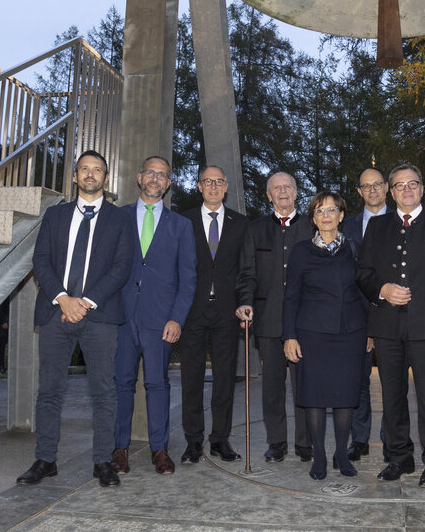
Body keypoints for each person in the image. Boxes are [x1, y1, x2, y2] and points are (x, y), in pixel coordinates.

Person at [17, 150, 134, 488]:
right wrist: (63, 299)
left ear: (106, 178)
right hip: (56, 312)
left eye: (97, 170)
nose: (91, 174)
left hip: (100, 315)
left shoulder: (119, 219)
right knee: (50, 390)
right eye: (85, 169)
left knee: (103, 392)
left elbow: (121, 267)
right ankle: (45, 459)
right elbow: (40, 260)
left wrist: (85, 302)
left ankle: (103, 462)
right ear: (74, 176)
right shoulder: (54, 216)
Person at [356, 163, 425, 488]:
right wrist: (383, 289)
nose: (406, 190)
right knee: (391, 395)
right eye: (400, 185)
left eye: (412, 184)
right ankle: (399, 457)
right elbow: (362, 273)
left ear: (422, 188)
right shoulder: (376, 227)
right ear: (391, 191)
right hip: (387, 326)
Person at [112, 156, 197, 476]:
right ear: (139, 176)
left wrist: (177, 318)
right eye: (151, 173)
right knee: (121, 383)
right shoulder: (117, 218)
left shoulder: (181, 226)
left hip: (161, 321)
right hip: (121, 316)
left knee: (157, 383)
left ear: (169, 183)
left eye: (163, 175)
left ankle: (159, 450)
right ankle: (119, 448)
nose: (156, 179)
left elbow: (188, 277)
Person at [283, 191, 369, 480]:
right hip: (312, 334)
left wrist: (370, 332)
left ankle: (341, 454)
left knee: (345, 397)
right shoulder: (301, 252)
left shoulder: (355, 249)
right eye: (320, 211)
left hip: (350, 334)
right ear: (314, 219)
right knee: (316, 398)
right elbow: (290, 297)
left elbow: (365, 294)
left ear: (342, 215)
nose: (327, 215)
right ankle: (319, 455)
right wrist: (289, 336)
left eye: (332, 210)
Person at [178, 166, 255, 464]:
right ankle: (193, 442)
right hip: (192, 311)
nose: (213, 186)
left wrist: (245, 302)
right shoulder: (183, 220)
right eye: (207, 181)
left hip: (227, 311)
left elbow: (247, 270)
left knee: (225, 379)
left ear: (226, 187)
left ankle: (220, 440)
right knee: (191, 379)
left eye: (218, 181)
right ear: (199, 186)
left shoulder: (240, 223)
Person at [250, 171, 313, 462]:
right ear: (269, 195)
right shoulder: (256, 230)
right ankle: (276, 442)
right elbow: (247, 275)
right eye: (277, 188)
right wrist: (243, 304)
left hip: (306, 323)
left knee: (306, 386)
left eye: (288, 187)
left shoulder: (313, 228)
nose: (283, 192)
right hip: (269, 322)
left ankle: (305, 443)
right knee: (272, 387)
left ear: (297, 192)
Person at [342, 167, 388, 462]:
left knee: (393, 383)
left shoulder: (404, 222)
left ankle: (392, 439)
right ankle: (359, 439)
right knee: (357, 383)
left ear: (386, 188)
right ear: (359, 192)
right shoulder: (346, 228)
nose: (372, 191)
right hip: (356, 317)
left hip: (394, 314)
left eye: (377, 185)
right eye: (365, 187)